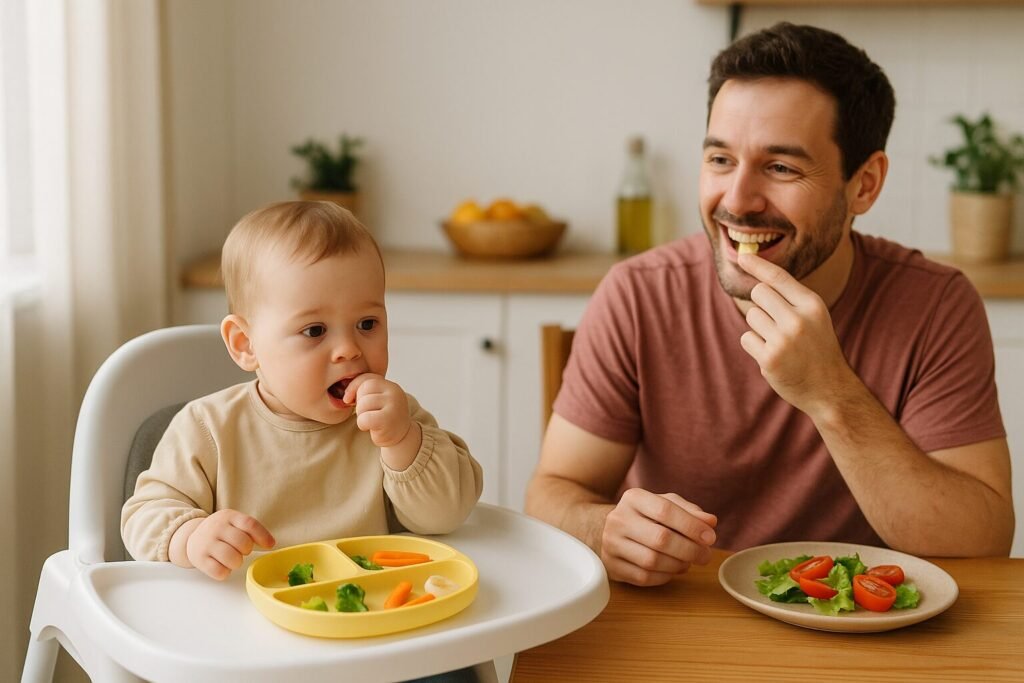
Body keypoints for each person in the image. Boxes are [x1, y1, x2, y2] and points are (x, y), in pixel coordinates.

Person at [525, 22, 1014, 587]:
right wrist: (603, 527)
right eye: (720, 160)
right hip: (682, 620)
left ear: (865, 184)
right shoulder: (638, 294)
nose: (736, 201)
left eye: (781, 168)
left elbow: (983, 541)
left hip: (861, 639)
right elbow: (551, 493)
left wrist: (828, 389)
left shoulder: (935, 305)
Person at [122, 201, 484, 580]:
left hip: (365, 618)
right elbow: (143, 515)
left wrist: (402, 441)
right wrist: (190, 535)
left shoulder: (395, 419)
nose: (349, 349)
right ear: (246, 344)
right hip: (244, 619)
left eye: (367, 323)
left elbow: (449, 513)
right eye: (315, 331)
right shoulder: (207, 428)